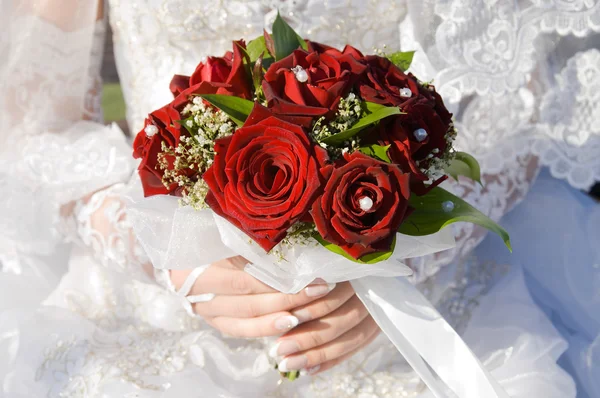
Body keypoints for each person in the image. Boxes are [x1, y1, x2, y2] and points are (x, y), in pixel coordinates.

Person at [0, 0, 597, 396]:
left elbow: (520, 101)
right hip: (145, 311)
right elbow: (36, 128)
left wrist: (406, 256)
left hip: (407, 311)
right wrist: (162, 249)